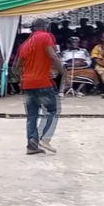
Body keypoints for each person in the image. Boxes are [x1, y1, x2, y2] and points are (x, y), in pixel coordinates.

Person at [13, 19, 65, 155]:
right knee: (53, 110)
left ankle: (32, 145)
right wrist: (64, 75)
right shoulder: (45, 36)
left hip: (27, 83)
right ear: (44, 26)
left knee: (32, 115)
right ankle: (44, 138)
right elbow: (53, 56)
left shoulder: (25, 44)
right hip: (42, 82)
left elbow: (16, 66)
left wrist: (22, 78)